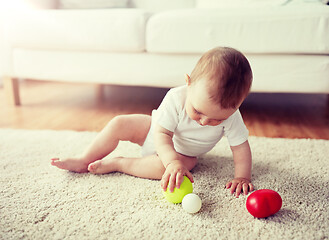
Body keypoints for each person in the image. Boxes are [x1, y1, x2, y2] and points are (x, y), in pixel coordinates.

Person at [51, 46, 254, 197]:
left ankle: (120, 164)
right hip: (154, 131)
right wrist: (171, 160)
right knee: (119, 123)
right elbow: (161, 134)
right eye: (198, 111)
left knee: (172, 170)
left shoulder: (233, 115)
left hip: (185, 153)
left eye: (217, 120)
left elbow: (240, 148)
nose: (204, 121)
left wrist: (242, 176)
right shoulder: (176, 97)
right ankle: (84, 159)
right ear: (188, 82)